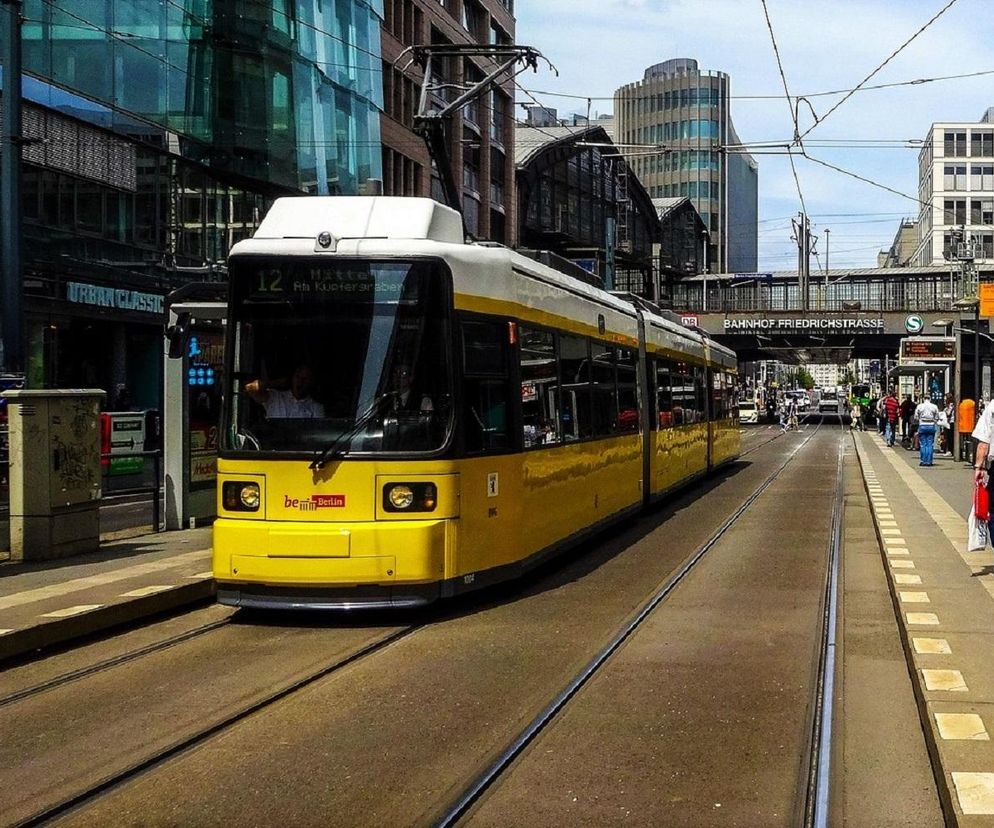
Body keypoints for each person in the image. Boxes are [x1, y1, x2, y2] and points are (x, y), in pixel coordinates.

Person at [245, 364, 325, 418]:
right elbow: (249, 388)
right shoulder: (275, 398)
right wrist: (275, 383)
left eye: (305, 379)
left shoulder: (316, 408)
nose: (300, 381)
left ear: (311, 382)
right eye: (297, 377)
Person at [914, 393, 940, 466]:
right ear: (930, 398)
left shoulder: (919, 406)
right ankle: (929, 461)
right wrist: (934, 419)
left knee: (923, 444)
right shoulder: (934, 406)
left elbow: (916, 417)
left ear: (923, 399)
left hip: (922, 425)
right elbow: (937, 417)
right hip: (931, 425)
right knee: (930, 444)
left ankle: (923, 461)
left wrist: (920, 418)